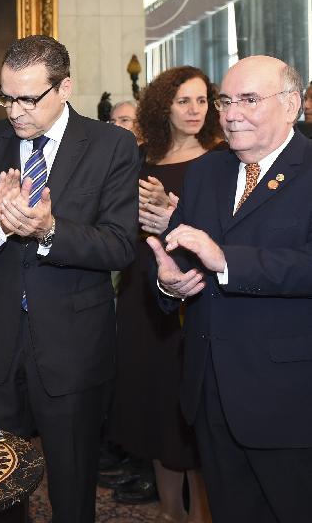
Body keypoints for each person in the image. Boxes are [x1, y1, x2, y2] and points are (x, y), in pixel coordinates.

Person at [0, 35, 139, 523]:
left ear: (64, 87)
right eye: (6, 97)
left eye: (28, 99)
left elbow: (120, 245)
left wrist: (50, 230)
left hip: (74, 346)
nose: (15, 111)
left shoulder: (111, 145)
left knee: (72, 489)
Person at [148, 56, 312, 522]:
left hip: (289, 401)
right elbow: (180, 256)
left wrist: (227, 261)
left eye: (249, 100)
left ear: (291, 105)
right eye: (225, 101)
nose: (231, 114)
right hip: (211, 392)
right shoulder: (207, 171)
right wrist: (169, 284)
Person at [109, 67, 221, 521]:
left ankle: (202, 516)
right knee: (153, 403)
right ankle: (171, 512)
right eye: (183, 101)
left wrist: (174, 215)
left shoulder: (220, 159)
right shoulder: (141, 160)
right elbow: (116, 225)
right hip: (142, 293)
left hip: (195, 294)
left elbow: (223, 235)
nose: (195, 110)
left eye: (202, 100)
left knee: (191, 412)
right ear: (163, 107)